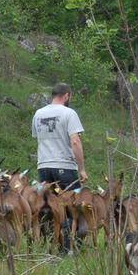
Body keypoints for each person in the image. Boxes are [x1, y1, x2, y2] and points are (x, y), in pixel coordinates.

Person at [32, 82, 86, 251]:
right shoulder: (69, 113)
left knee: (48, 206)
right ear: (67, 95)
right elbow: (75, 141)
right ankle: (69, 248)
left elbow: (39, 138)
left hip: (44, 166)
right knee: (72, 208)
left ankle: (49, 245)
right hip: (65, 167)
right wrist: (82, 168)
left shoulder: (38, 114)